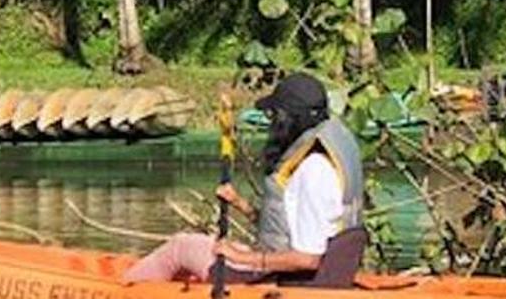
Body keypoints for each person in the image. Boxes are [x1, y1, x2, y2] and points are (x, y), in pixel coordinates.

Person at [122, 73, 365, 284]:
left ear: (289, 120)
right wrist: (240, 204)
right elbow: (289, 229)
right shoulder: (325, 153)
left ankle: (118, 291)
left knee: (180, 247)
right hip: (318, 275)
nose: (271, 125)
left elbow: (308, 259)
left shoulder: (313, 171)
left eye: (275, 117)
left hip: (291, 281)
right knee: (209, 246)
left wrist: (242, 258)